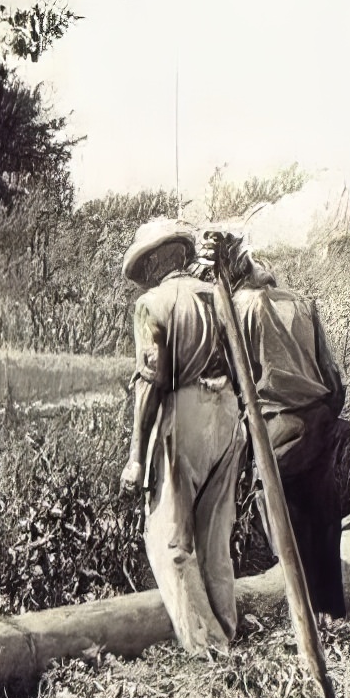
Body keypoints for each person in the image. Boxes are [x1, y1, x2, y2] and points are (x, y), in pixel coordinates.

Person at [119, 217, 246, 656]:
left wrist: (136, 457)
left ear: (165, 257)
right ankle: (225, 626)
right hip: (228, 412)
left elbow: (149, 384)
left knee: (169, 536)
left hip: (185, 411)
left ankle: (206, 644)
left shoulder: (153, 305)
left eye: (150, 263)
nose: (149, 273)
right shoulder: (218, 296)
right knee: (216, 534)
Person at [209, 232, 350, 618]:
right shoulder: (302, 303)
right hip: (317, 419)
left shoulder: (236, 308)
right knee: (323, 525)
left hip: (275, 427)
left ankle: (306, 621)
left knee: (286, 531)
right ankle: (332, 615)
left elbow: (235, 381)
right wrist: (325, 417)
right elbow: (334, 380)